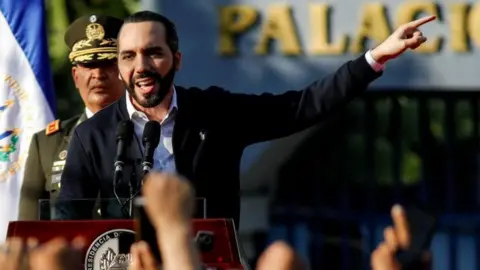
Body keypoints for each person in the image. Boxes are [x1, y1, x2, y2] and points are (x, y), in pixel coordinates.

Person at [54, 10, 436, 225]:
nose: (141, 67)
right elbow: (68, 221)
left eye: (153, 53)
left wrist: (375, 59)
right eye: (128, 56)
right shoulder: (93, 136)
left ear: (177, 60)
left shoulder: (215, 113)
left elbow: (303, 106)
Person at [18, 14, 125, 220]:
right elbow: (29, 226)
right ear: (76, 77)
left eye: (108, 63)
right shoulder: (48, 144)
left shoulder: (149, 133)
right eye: (89, 65)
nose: (98, 74)